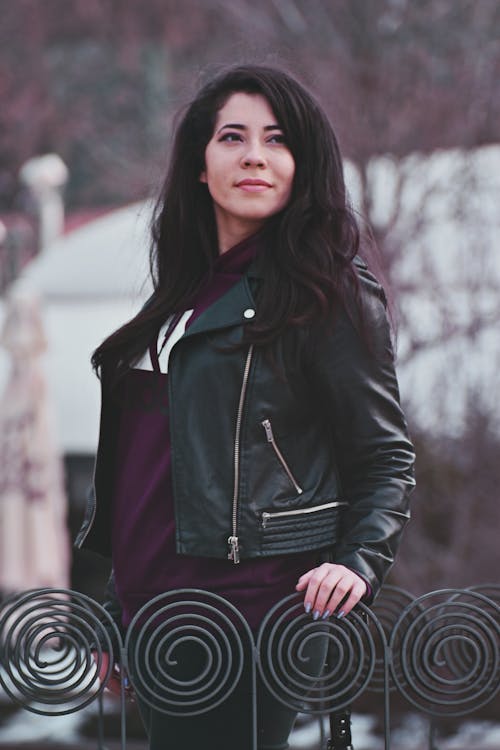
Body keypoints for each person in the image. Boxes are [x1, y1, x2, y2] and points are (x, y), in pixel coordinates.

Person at [75, 64, 415, 750]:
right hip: (159, 612)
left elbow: (385, 455)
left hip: (257, 607)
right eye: (233, 137)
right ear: (201, 164)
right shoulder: (176, 298)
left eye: (277, 140)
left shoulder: (329, 291)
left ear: (302, 165)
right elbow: (152, 473)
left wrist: (358, 562)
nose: (255, 155)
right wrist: (116, 608)